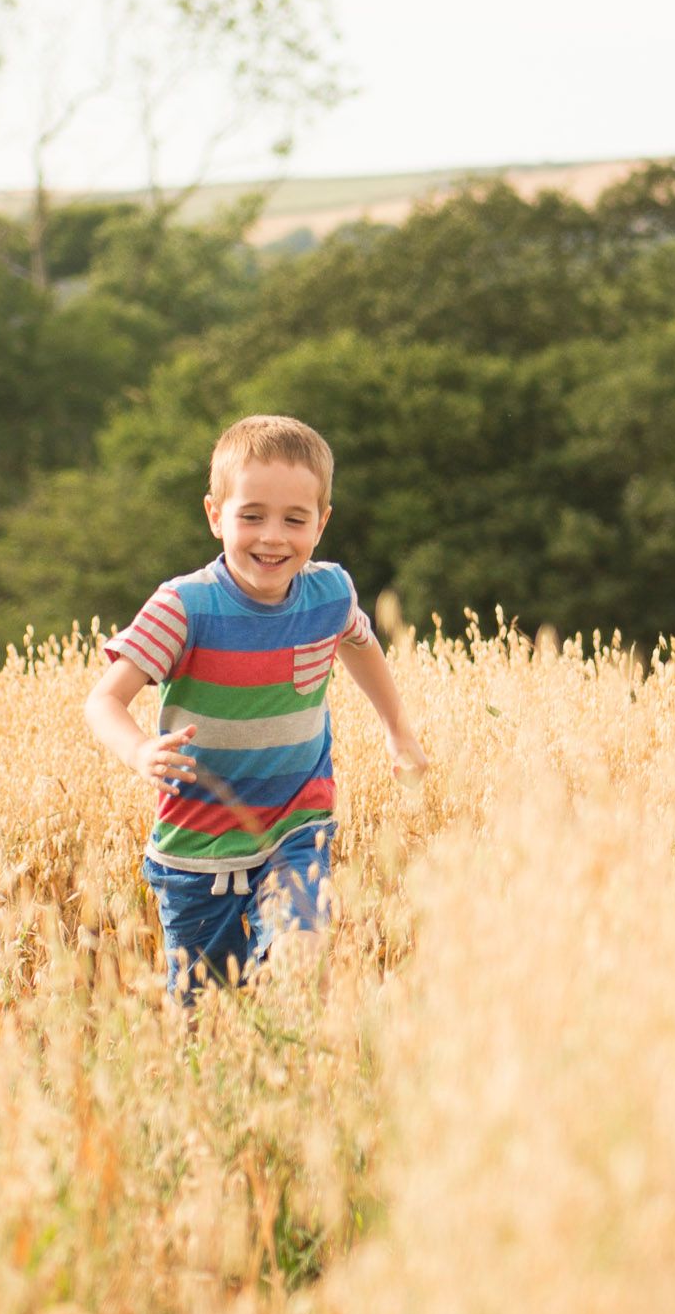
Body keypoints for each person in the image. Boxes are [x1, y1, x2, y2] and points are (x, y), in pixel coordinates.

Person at [81, 412, 426, 999]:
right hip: (197, 851)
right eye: (252, 516)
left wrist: (398, 731)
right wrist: (139, 750)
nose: (273, 537)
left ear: (322, 522)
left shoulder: (330, 593)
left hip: (297, 824)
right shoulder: (184, 607)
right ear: (215, 516)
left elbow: (363, 648)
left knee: (299, 962)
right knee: (202, 1015)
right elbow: (103, 700)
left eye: (295, 519)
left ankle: (289, 1066)